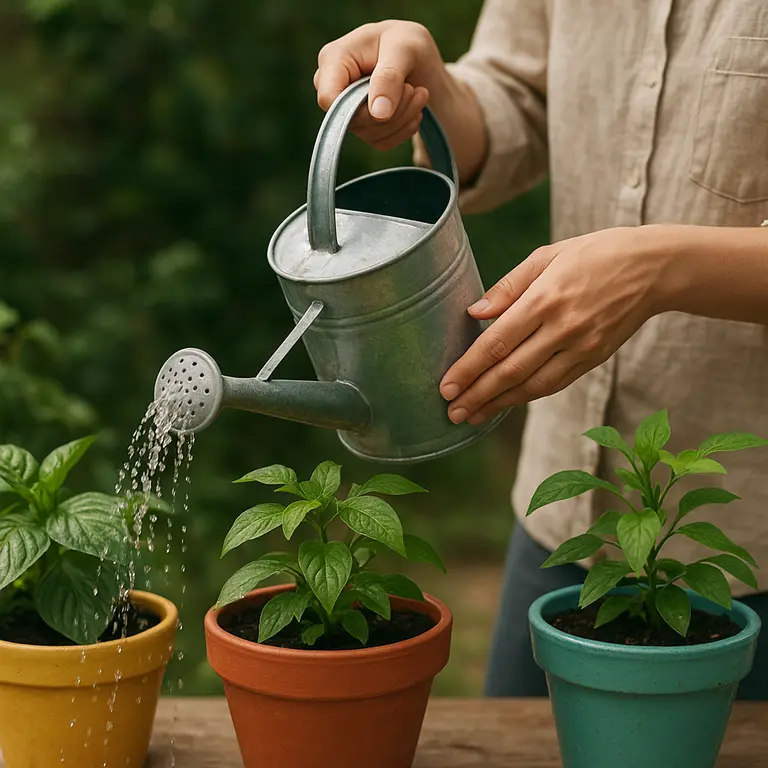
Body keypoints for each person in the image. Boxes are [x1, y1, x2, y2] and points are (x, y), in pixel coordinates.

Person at [313, 2, 768, 700]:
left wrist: (659, 269)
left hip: (748, 538)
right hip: (563, 510)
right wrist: (431, 88)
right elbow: (517, 102)